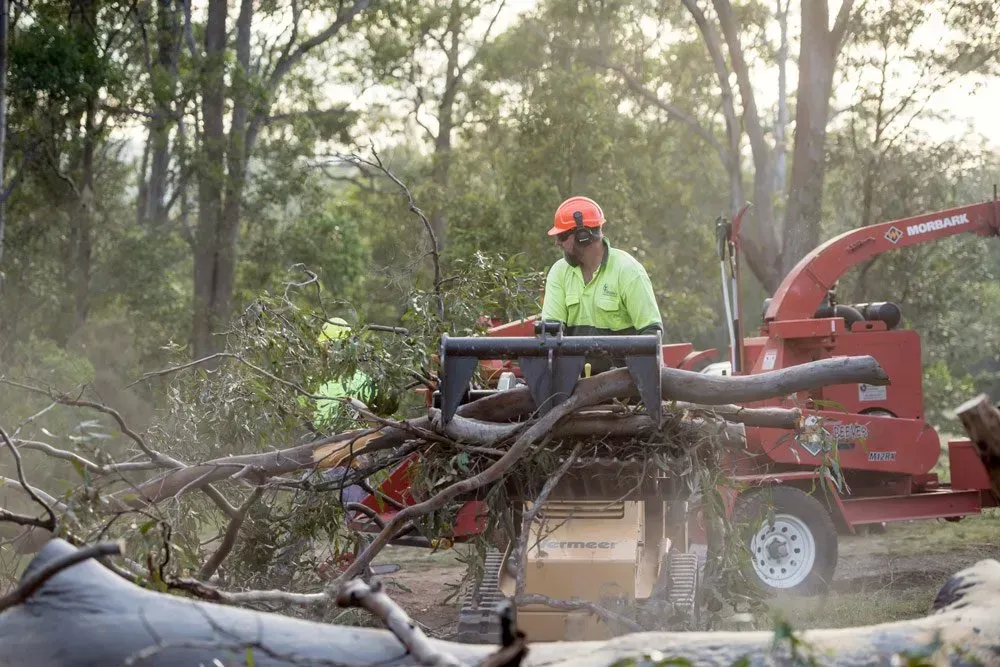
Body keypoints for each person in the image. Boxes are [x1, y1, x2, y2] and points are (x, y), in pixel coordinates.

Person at [541, 196, 663, 341]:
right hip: (573, 364)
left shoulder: (628, 270)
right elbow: (550, 334)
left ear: (583, 236)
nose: (557, 243)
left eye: (562, 236)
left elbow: (651, 332)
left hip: (622, 364)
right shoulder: (559, 272)